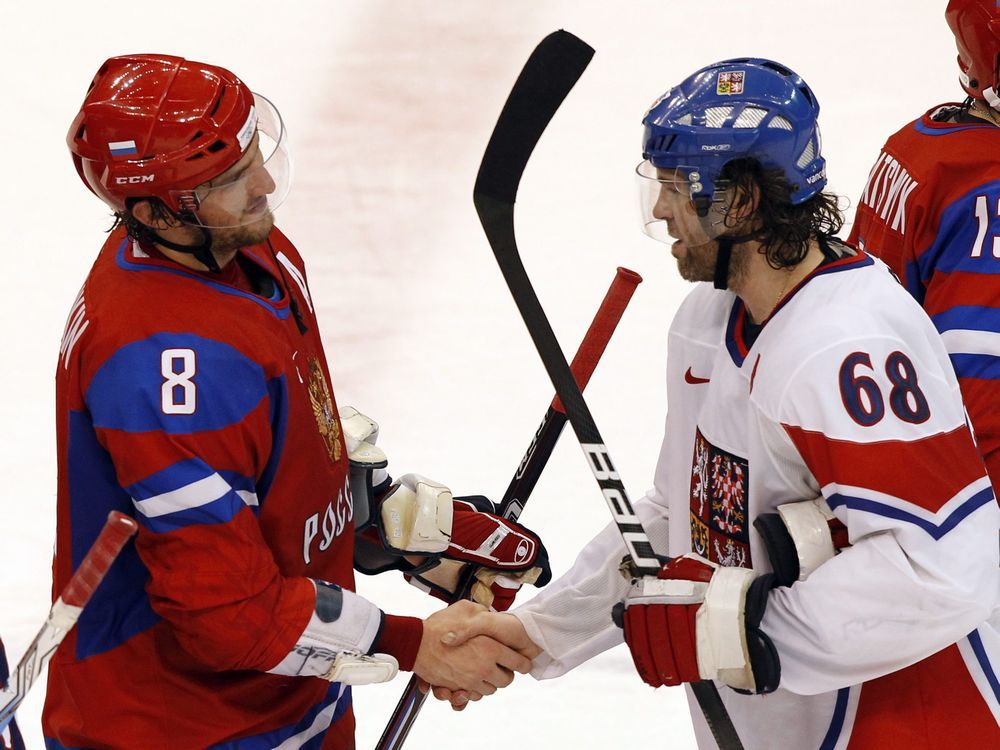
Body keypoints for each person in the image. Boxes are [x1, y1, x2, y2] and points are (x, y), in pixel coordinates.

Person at [440, 58, 1000, 748]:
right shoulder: (706, 321)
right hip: (774, 723)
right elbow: (681, 513)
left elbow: (944, 568)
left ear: (740, 201)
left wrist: (738, 631)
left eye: (675, 188)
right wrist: (534, 632)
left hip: (904, 725)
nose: (659, 210)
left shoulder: (850, 347)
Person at [47, 54, 549, 749]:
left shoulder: (248, 250)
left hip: (291, 707)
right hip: (177, 728)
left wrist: (382, 531)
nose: (265, 184)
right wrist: (410, 644)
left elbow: (259, 459)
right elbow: (225, 614)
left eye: (254, 152)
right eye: (227, 179)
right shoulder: (166, 369)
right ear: (154, 210)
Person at [848, 0, 1000, 500]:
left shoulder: (918, 139)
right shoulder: (988, 194)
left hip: (872, 440)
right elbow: (984, 418)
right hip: (954, 509)